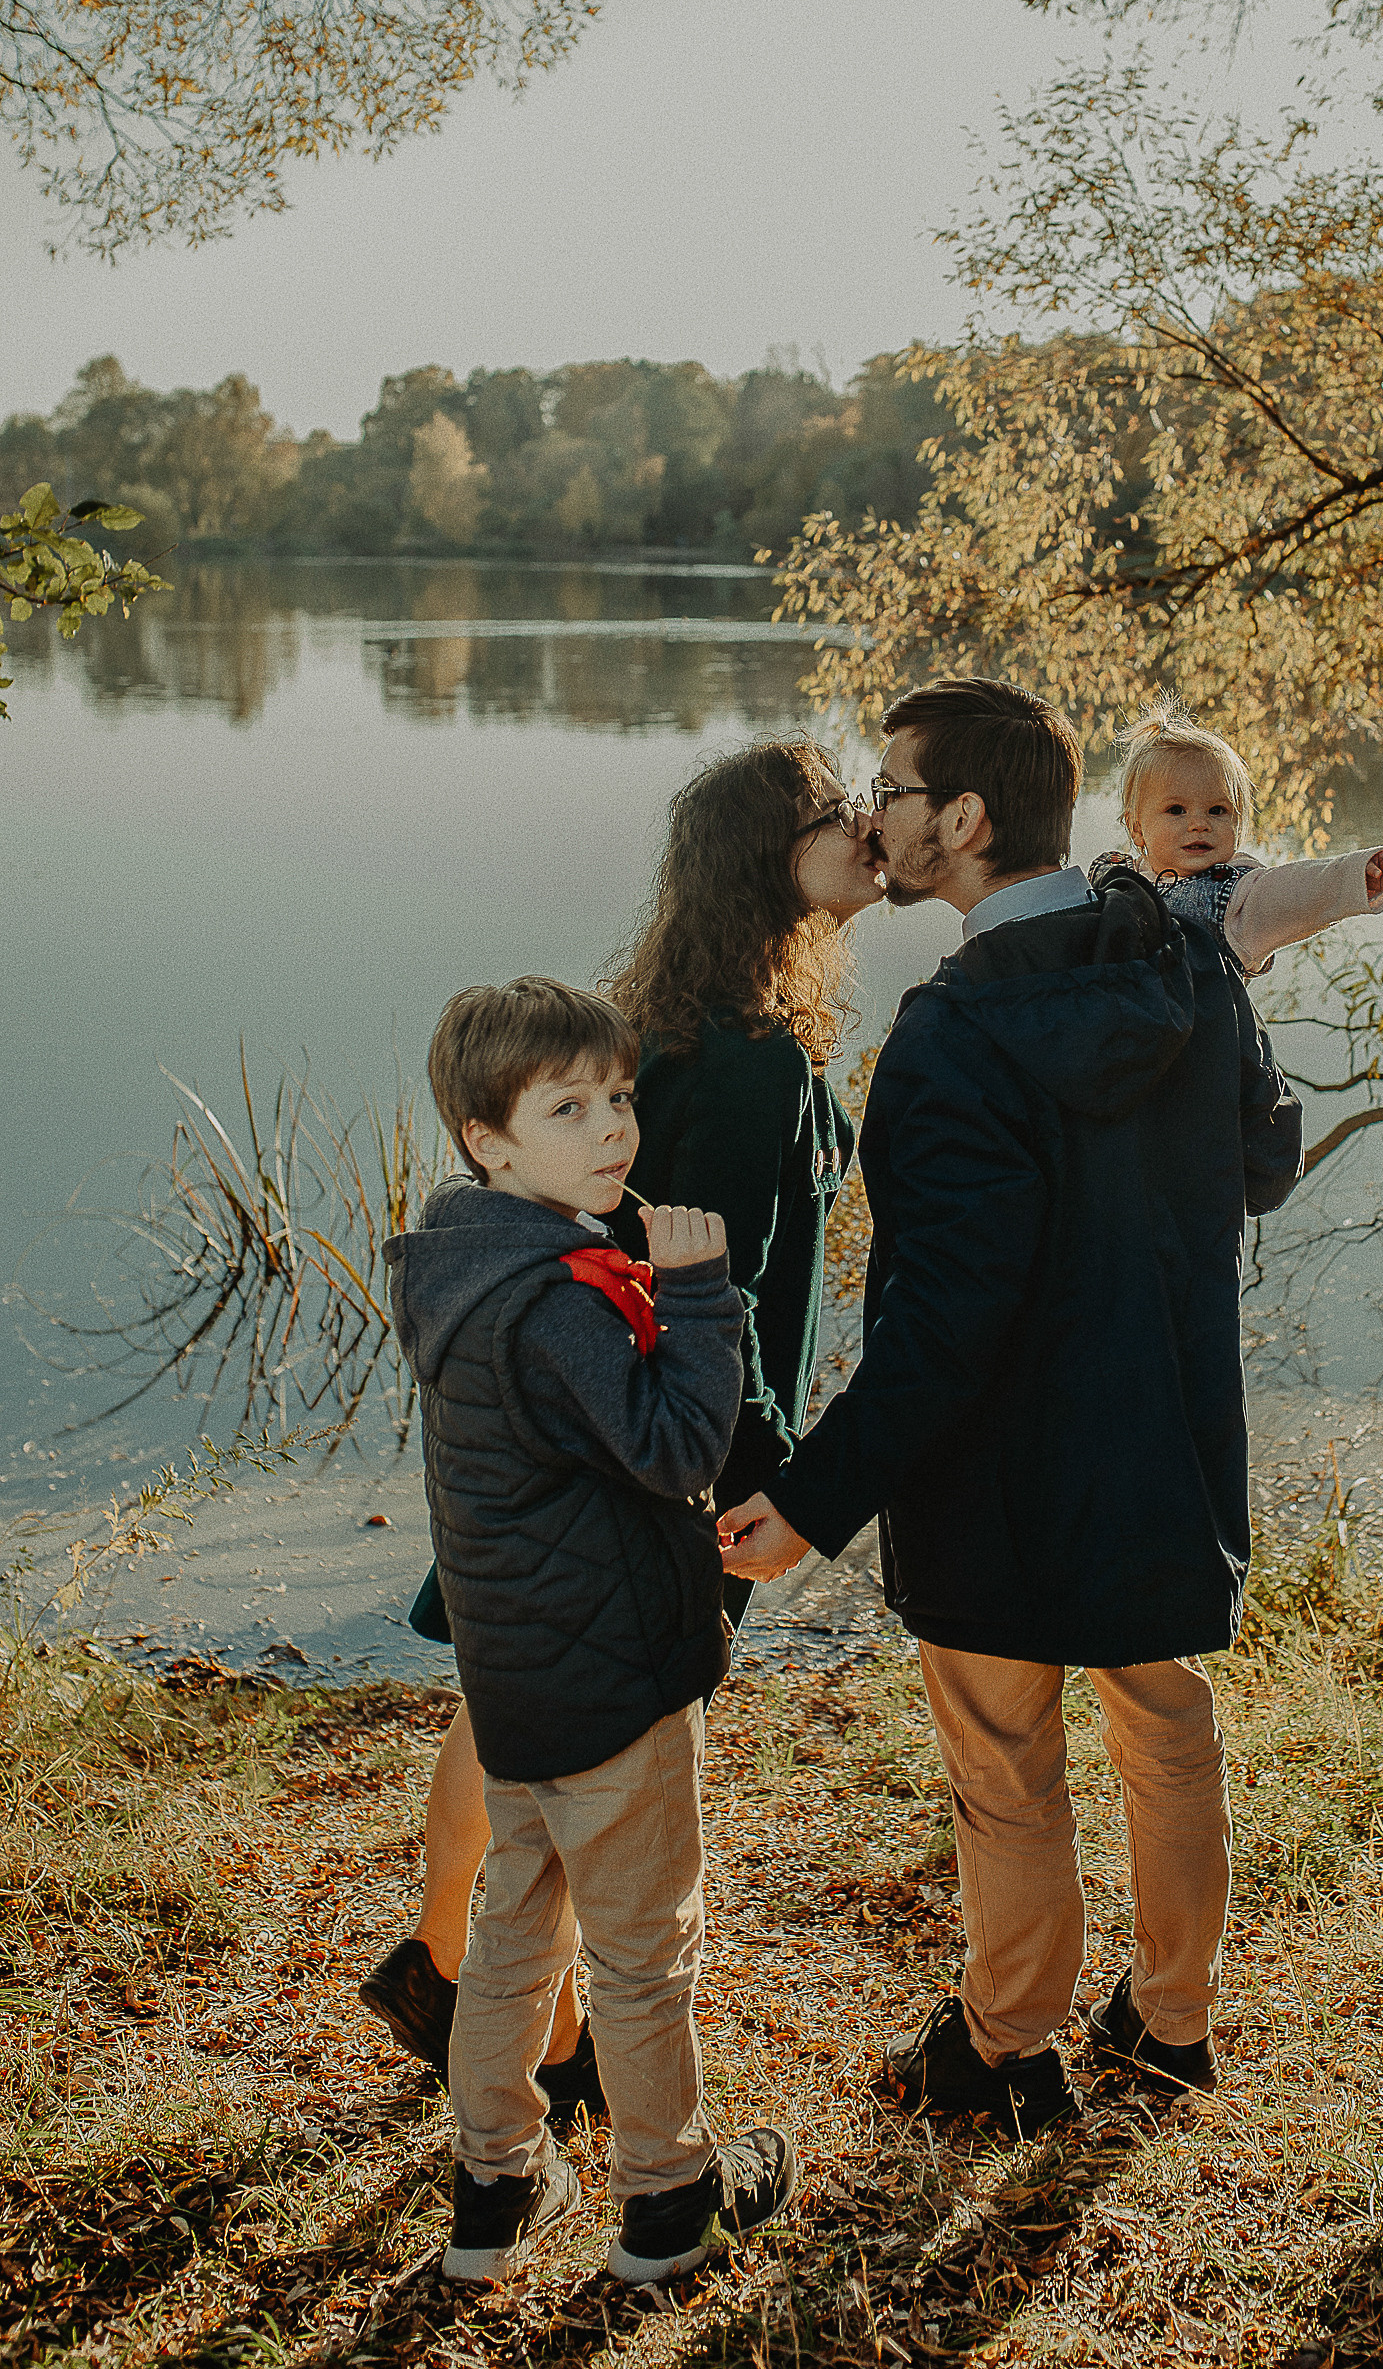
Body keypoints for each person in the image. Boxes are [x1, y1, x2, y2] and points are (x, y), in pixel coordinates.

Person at [718, 678, 1303, 2132]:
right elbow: (1261, 1164)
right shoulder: (1187, 966)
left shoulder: (950, 1034)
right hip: (1160, 1433)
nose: (878, 818)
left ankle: (1007, 2047)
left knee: (1003, 1758)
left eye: (896, 793)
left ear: (964, 822)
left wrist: (808, 1500)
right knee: (1162, 1722)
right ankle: (1170, 2027)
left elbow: (944, 1322)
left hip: (1005, 1470)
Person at [360, 744, 879, 2095]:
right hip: (662, 1443)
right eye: (837, 814)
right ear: (774, 855)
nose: (868, 826)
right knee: (586, 1731)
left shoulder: (702, 1018)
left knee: (508, 1702)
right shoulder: (741, 1058)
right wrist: (773, 1487)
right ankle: (530, 2017)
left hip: (602, 1427)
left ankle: (450, 1970)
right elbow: (706, 1287)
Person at [385, 975, 797, 2287]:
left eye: (617, 1097)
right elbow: (678, 1445)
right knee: (641, 1948)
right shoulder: (562, 1297)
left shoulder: (462, 1262)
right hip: (611, 1679)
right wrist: (696, 1292)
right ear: (487, 1142)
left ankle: (496, 2183)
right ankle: (668, 2200)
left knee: (516, 1926)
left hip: (518, 1675)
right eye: (567, 1107)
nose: (611, 1129)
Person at [1099, 700, 1383, 972]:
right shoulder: (1115, 874)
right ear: (1137, 829)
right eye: (1177, 810)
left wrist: (1351, 876)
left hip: (1201, 1036)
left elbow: (1295, 893)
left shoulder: (1240, 902)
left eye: (1217, 810)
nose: (1199, 824)